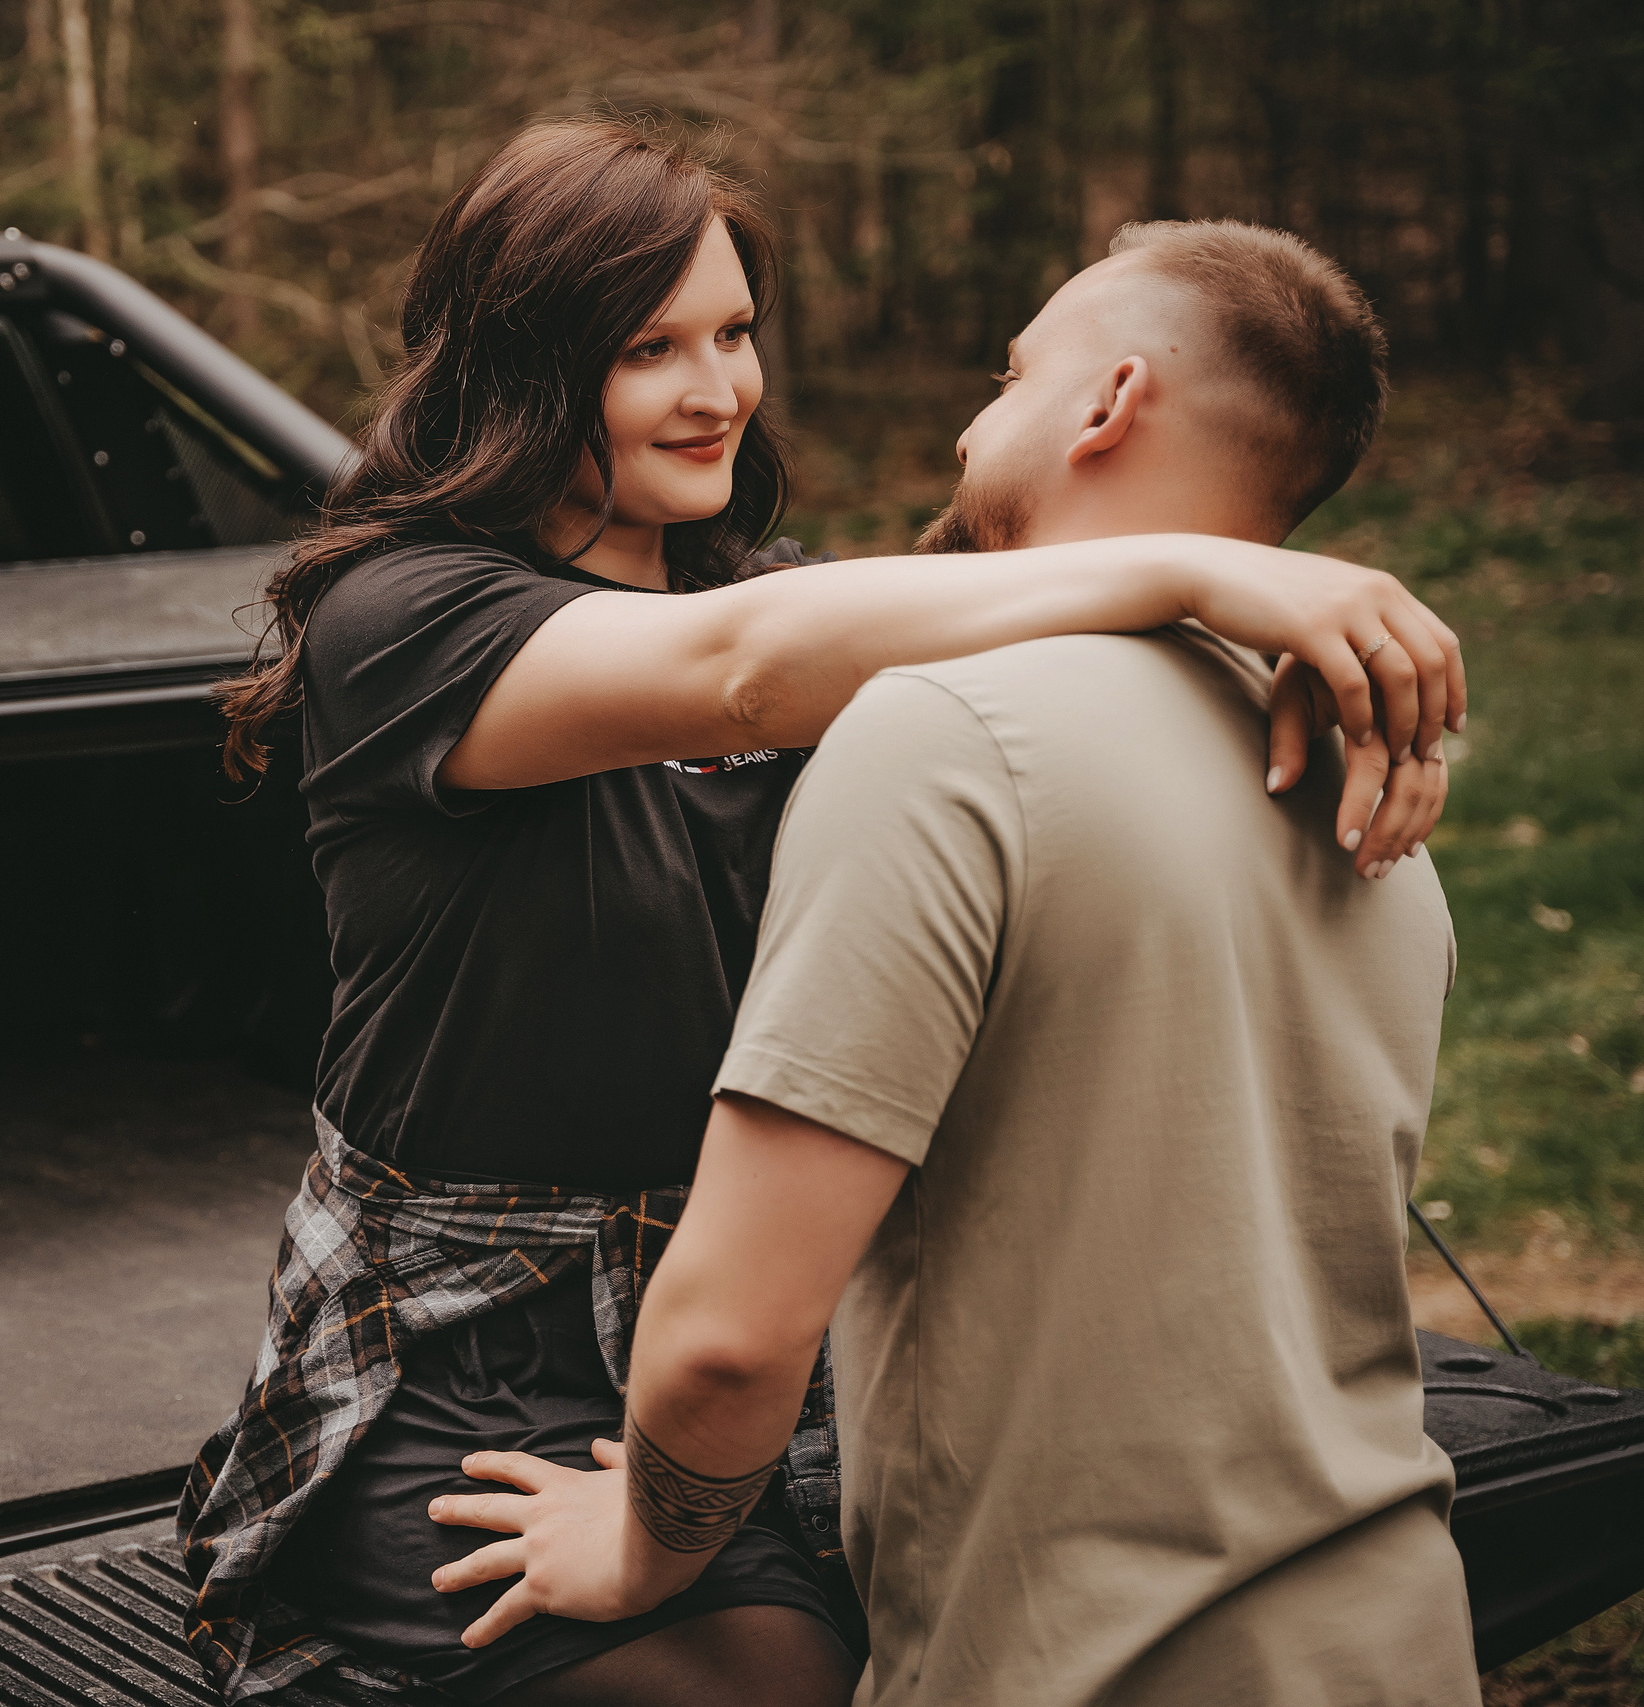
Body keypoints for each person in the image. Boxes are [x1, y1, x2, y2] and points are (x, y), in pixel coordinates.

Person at [179, 112, 1464, 1707]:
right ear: (520, 368)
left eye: (734, 333)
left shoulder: (775, 597)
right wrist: (1212, 571)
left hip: (764, 1354)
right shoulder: (410, 617)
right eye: (650, 346)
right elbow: (742, 674)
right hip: (468, 1365)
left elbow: (1026, 714)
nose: (718, 386)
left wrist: (1309, 685)